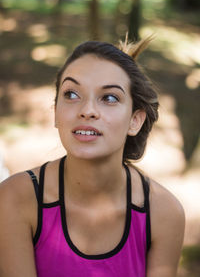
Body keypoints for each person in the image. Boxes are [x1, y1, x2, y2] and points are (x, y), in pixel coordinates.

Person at [0, 36, 185, 277]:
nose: (87, 111)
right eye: (72, 94)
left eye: (109, 98)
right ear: (56, 112)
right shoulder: (15, 199)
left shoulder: (163, 213)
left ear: (134, 120)